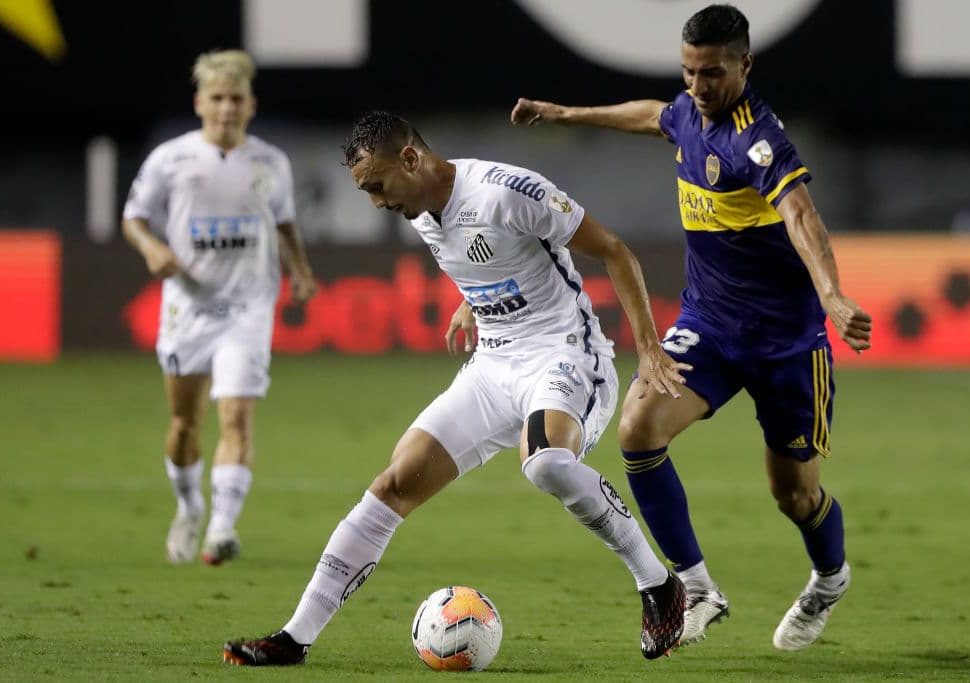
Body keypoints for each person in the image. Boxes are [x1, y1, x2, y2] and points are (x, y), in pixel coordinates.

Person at [223, 110, 691, 666]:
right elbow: (489, 258)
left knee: (545, 463)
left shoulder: (505, 192)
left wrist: (648, 347)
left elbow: (614, 250)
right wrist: (472, 303)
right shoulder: (421, 211)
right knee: (393, 483)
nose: (376, 202)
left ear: (411, 159)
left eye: (377, 186)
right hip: (493, 366)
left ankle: (658, 583)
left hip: (565, 354)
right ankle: (294, 638)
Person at [509, 3, 872, 652]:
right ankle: (698, 588)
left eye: (711, 74)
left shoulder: (758, 141)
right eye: (689, 72)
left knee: (795, 495)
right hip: (710, 327)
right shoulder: (688, 112)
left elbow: (801, 216)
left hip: (787, 343)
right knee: (638, 428)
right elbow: (653, 114)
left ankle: (829, 577)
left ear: (745, 65)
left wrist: (833, 295)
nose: (697, 87)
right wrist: (564, 113)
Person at [122, 49, 318, 566]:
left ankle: (222, 528)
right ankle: (190, 507)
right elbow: (133, 217)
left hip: (248, 307)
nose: (227, 107)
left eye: (236, 98)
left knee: (236, 415)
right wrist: (152, 248)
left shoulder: (271, 162)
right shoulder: (170, 159)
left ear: (251, 104)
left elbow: (284, 223)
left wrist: (299, 270)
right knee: (184, 425)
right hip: (188, 307)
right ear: (199, 103)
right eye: (217, 98)